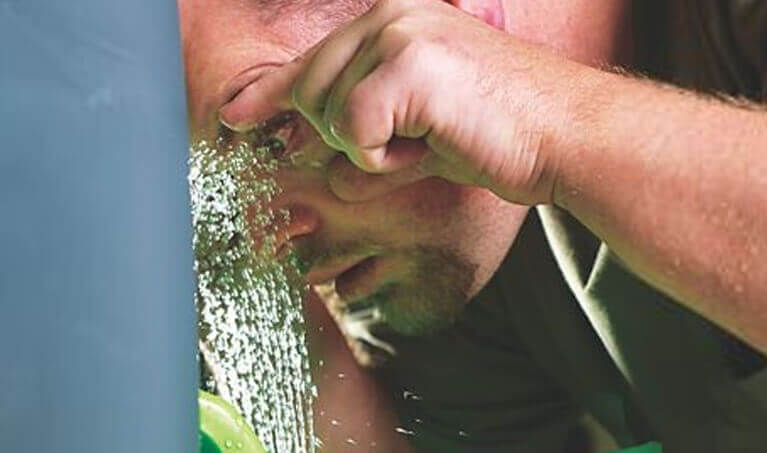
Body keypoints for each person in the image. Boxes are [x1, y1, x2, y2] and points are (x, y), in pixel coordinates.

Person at [180, 0, 767, 451]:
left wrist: (547, 122)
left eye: (272, 142)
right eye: (223, 199)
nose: (265, 244)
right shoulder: (452, 261)